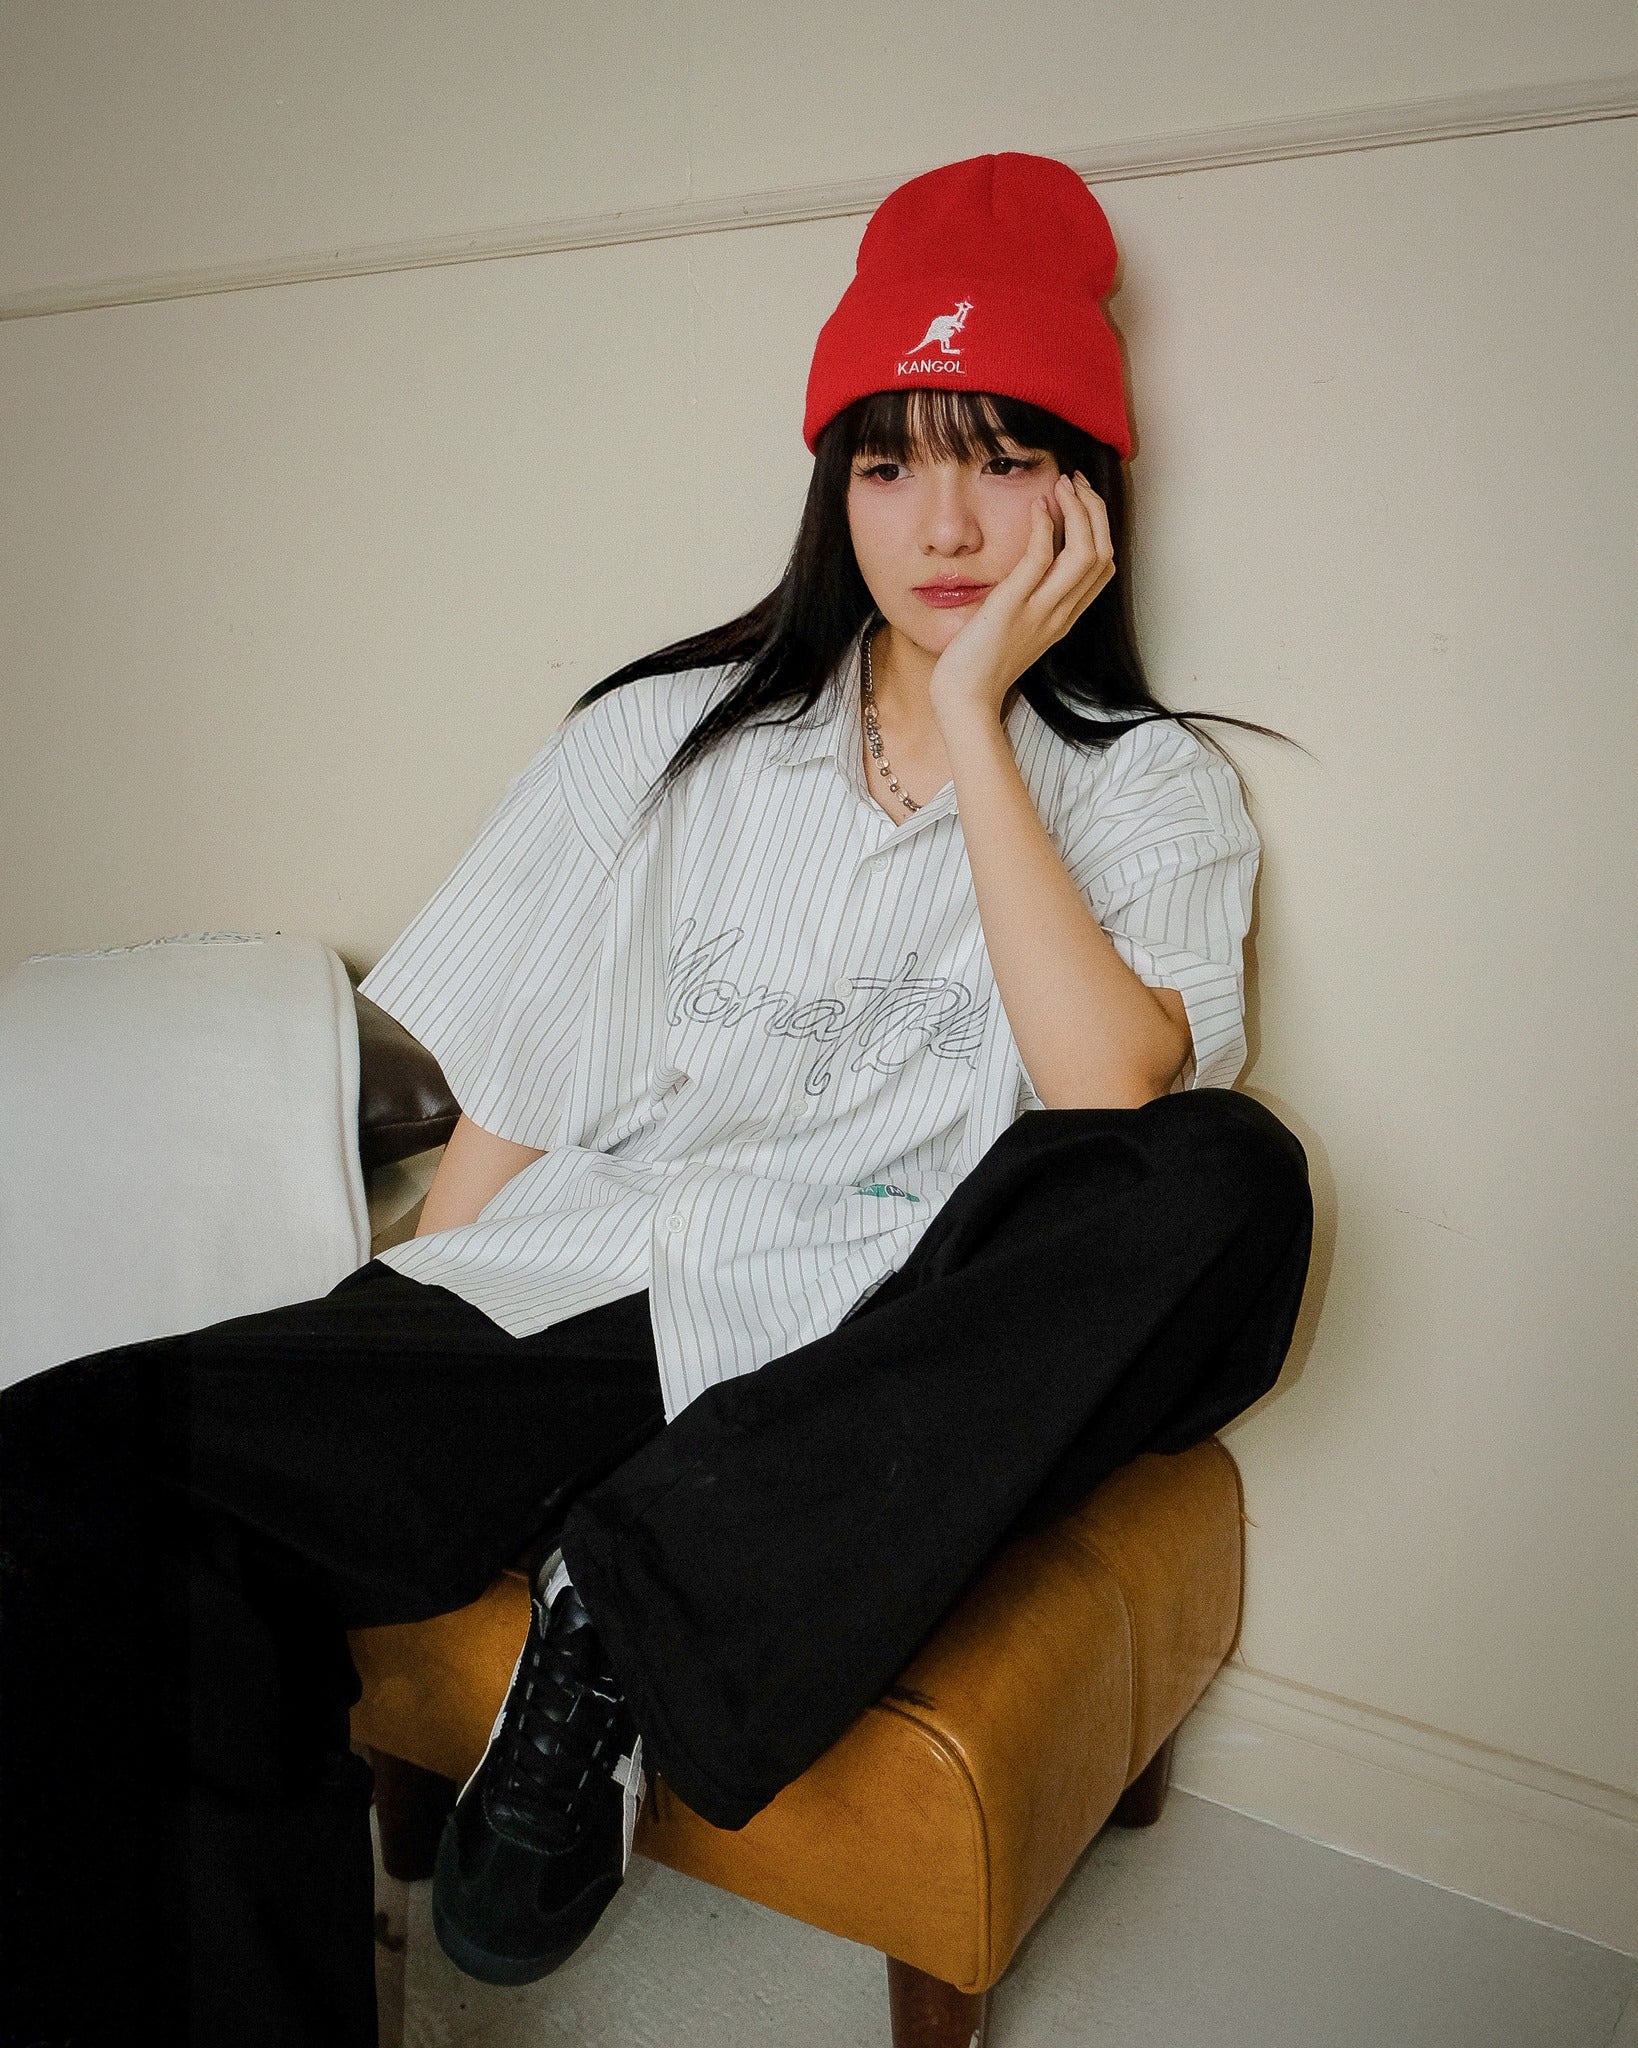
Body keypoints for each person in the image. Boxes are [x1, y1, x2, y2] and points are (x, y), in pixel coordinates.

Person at [0, 151, 1314, 2046]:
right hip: (595, 1286)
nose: (943, 521)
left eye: (1004, 456)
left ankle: (627, 1605)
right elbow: (528, 1081)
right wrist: (390, 1343)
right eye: (889, 463)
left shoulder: (1149, 786)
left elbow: (1106, 1100)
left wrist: (975, 722)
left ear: (1086, 496)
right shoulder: (660, 737)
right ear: (832, 488)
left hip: (877, 1352)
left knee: (1227, 1176)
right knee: (63, 1452)